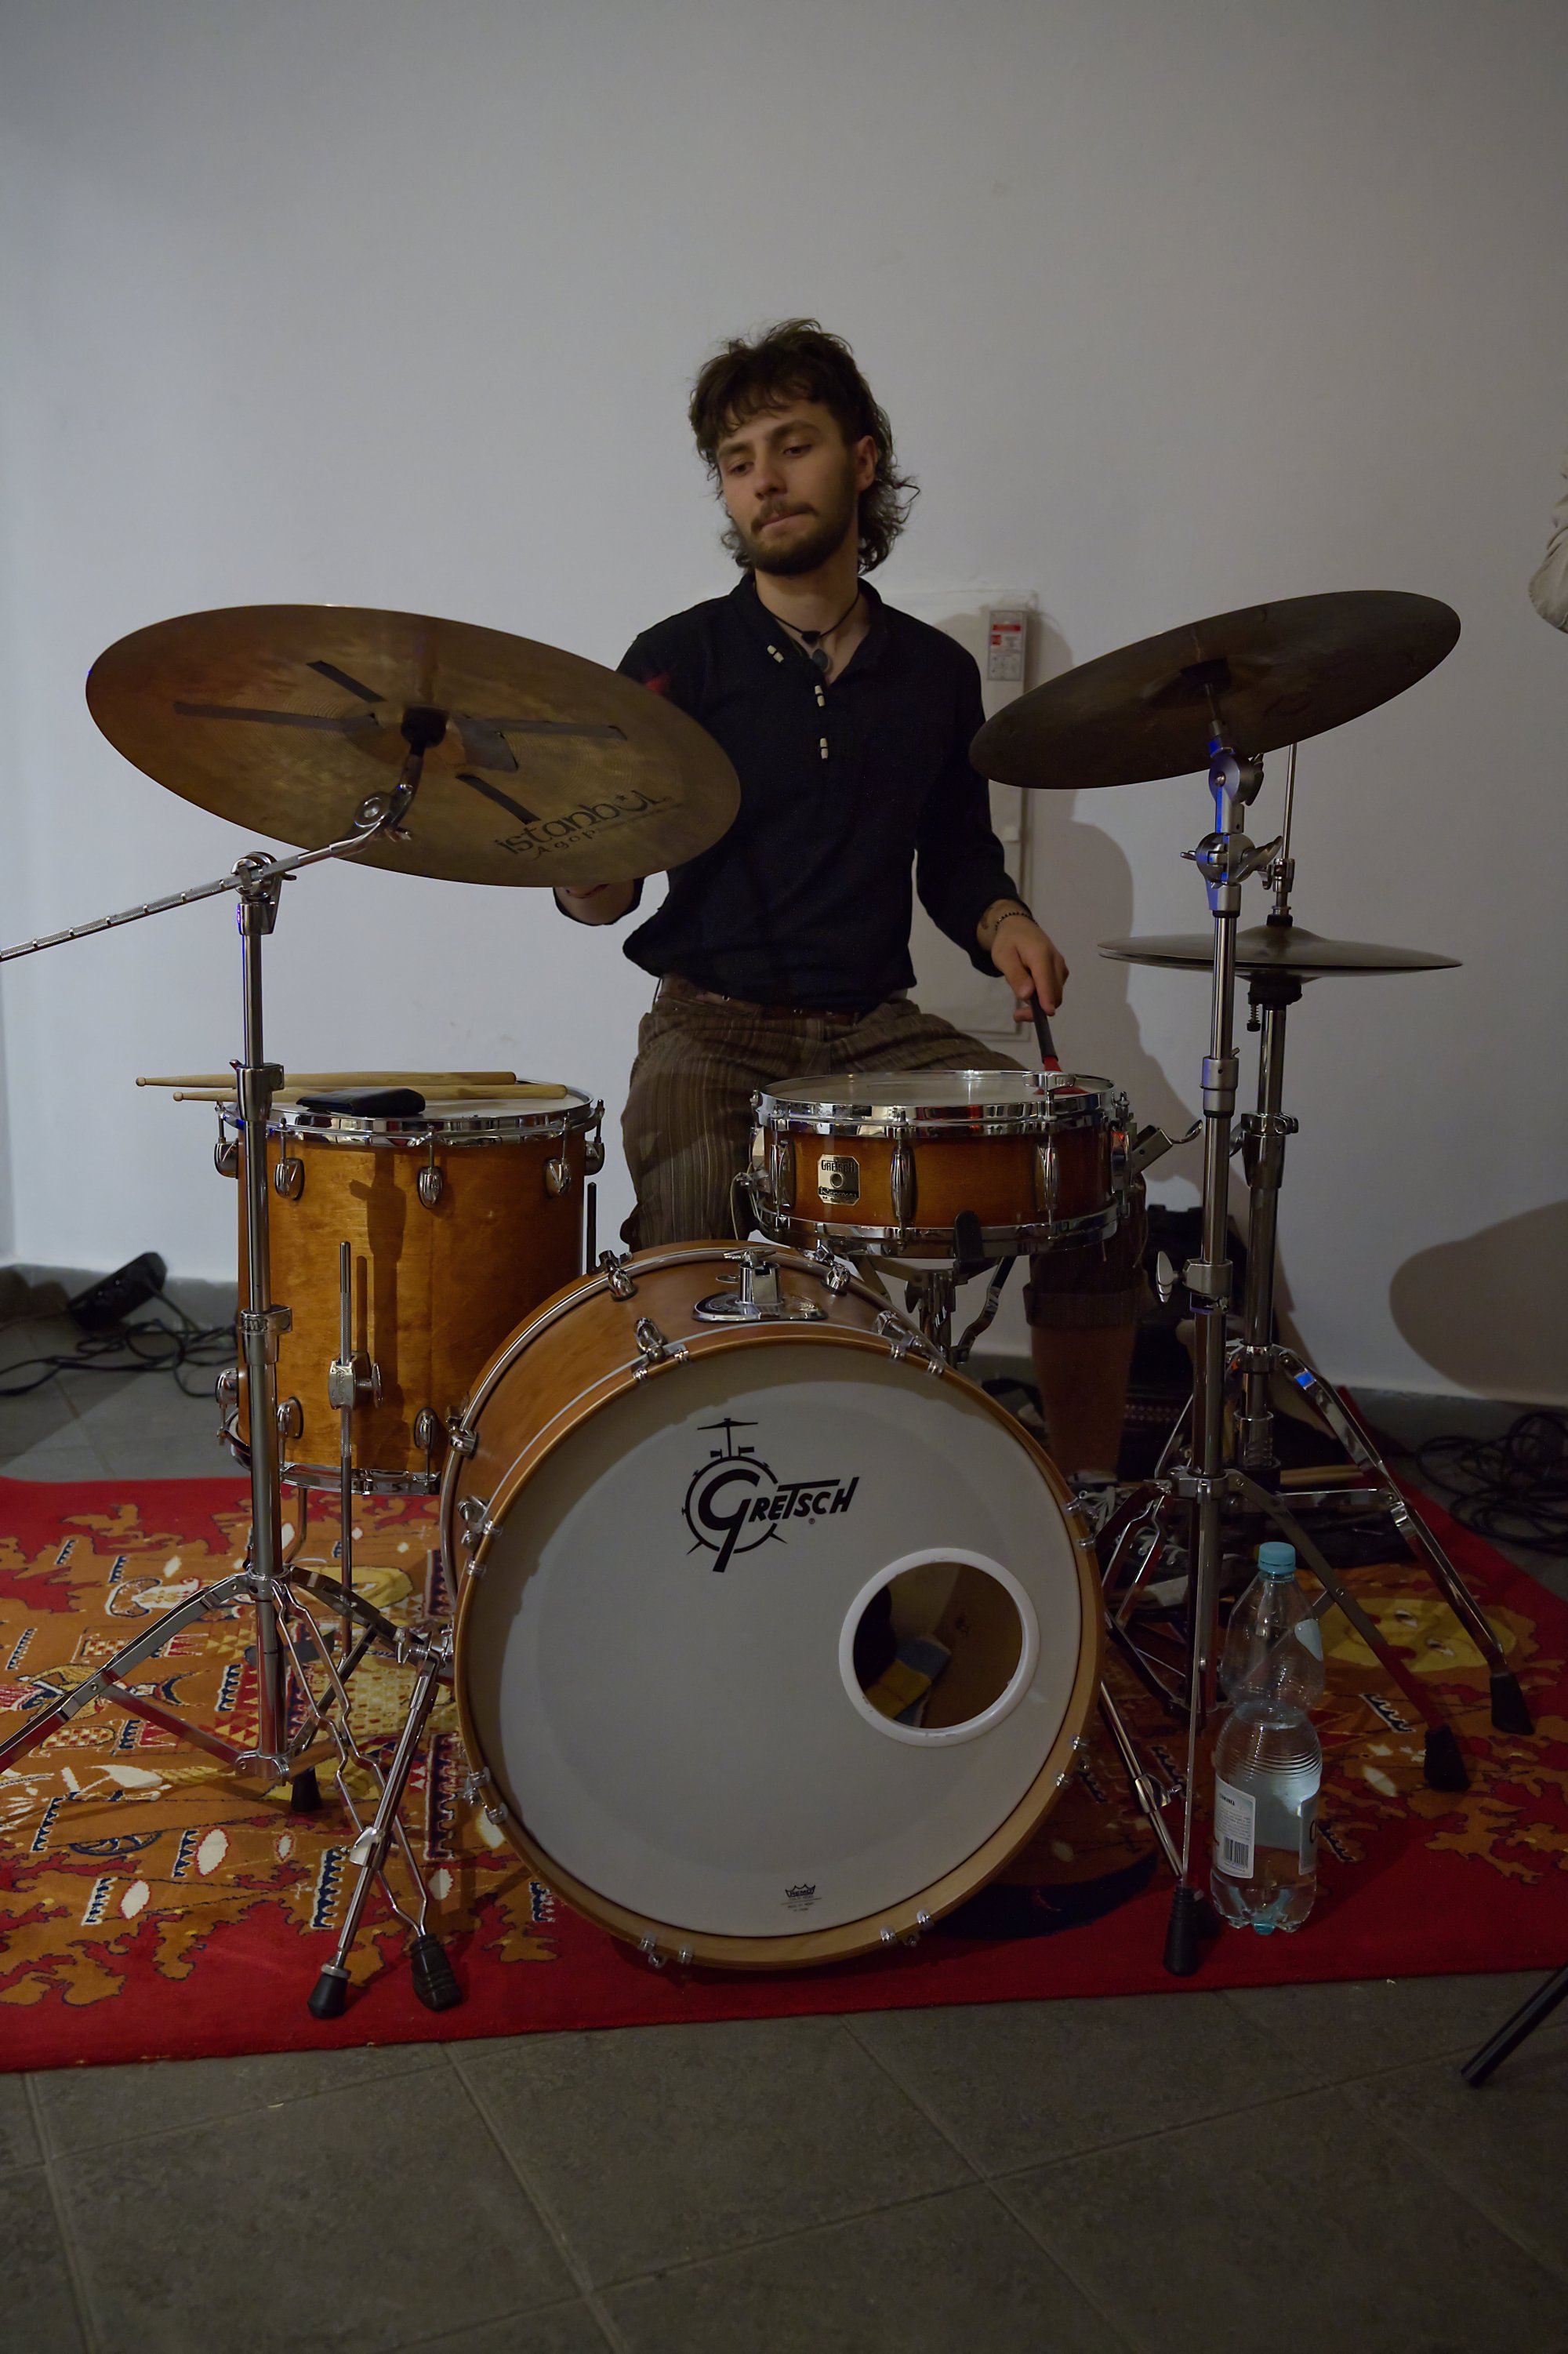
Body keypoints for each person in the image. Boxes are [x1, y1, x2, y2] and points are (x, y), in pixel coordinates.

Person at [556, 320, 1145, 1494]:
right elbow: (603, 883)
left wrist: (1004, 921)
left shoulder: (935, 673)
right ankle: (696, 1505)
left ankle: (1086, 1502)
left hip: (875, 1027)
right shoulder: (674, 663)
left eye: (793, 445)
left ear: (863, 460)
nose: (764, 481)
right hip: (712, 1025)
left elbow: (958, 858)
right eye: (737, 462)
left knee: (1101, 1181)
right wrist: (582, 868)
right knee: (689, 1240)